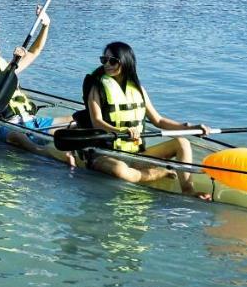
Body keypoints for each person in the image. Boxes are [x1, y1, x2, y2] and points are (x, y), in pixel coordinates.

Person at [82, 41, 214, 198]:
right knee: (120, 171)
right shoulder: (96, 88)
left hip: (137, 154)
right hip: (104, 154)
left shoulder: (139, 89)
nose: (107, 64)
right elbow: (97, 121)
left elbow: (158, 120)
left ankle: (188, 190)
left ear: (125, 62)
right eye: (104, 60)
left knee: (183, 142)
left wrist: (190, 127)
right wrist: (120, 131)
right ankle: (161, 172)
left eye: (113, 61)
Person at [0, 8, 75, 162]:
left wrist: (45, 25)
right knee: (17, 136)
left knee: (75, 120)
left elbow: (35, 51)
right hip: (4, 126)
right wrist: (14, 62)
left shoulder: (5, 67)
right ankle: (46, 154)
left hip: (30, 120)